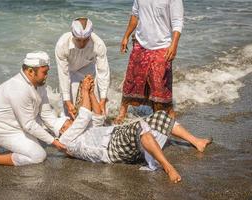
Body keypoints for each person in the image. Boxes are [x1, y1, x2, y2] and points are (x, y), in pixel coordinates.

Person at [57, 75, 212, 183]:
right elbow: (84, 116)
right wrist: (83, 90)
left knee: (160, 116)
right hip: (111, 148)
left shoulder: (83, 132)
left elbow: (98, 117)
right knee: (139, 128)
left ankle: (196, 141)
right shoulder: (65, 140)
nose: (70, 123)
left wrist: (90, 93)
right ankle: (168, 167)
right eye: (66, 125)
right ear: (62, 132)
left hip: (116, 138)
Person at [0, 51, 67, 170]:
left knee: (43, 140)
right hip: (0, 129)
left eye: (47, 72)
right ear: (30, 71)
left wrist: (59, 130)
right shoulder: (18, 88)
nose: (47, 75)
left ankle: (11, 147)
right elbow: (28, 124)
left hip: (18, 124)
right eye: (44, 72)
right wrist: (55, 142)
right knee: (38, 155)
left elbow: (45, 113)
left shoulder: (39, 83)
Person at [115, 0, 184, 124]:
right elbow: (135, 15)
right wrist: (126, 36)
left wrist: (174, 45)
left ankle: (167, 113)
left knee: (160, 84)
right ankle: (122, 112)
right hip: (140, 43)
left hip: (163, 45)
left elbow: (177, 22)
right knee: (132, 79)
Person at [55, 17, 110, 119]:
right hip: (70, 71)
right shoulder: (62, 44)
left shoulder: (98, 44)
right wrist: (67, 101)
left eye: (85, 40)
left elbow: (103, 71)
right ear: (72, 33)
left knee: (98, 110)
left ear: (90, 35)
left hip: (88, 69)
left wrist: (103, 98)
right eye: (78, 40)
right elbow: (63, 73)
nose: (82, 44)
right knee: (69, 110)